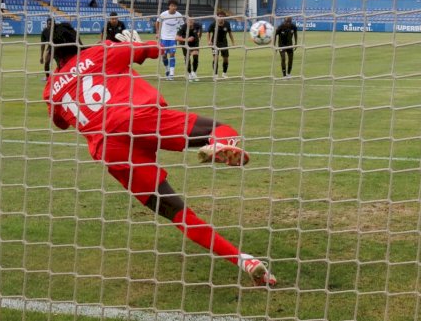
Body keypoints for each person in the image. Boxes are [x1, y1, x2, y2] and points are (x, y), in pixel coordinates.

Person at [42, 23, 276, 286]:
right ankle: (221, 144)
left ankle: (245, 261)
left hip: (110, 148)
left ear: (49, 52)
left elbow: (60, 122)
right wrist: (133, 44)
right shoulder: (101, 51)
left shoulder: (50, 90)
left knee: (175, 212)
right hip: (136, 117)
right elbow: (156, 50)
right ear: (77, 38)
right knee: (219, 129)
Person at [155, 0, 185, 81]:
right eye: (172, 6)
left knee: (172, 54)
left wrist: (181, 36)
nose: (173, 7)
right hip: (164, 38)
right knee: (164, 55)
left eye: (175, 6)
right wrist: (157, 32)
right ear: (169, 6)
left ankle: (172, 73)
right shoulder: (163, 14)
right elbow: (157, 22)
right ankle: (167, 69)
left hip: (173, 38)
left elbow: (183, 26)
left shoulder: (179, 15)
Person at [207, 11, 235, 79]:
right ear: (217, 17)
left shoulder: (227, 24)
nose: (221, 18)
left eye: (222, 17)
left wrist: (233, 43)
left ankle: (224, 74)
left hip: (224, 43)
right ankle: (215, 75)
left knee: (226, 59)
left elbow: (230, 33)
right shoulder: (213, 24)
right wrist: (209, 41)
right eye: (219, 16)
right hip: (215, 43)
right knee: (215, 58)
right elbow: (208, 32)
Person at [176, 16, 203, 82]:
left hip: (195, 43)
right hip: (185, 44)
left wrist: (199, 36)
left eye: (192, 20)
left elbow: (200, 30)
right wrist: (186, 39)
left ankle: (194, 73)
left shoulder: (197, 25)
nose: (190, 21)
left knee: (196, 56)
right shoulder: (183, 27)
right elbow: (176, 38)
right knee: (187, 58)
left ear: (193, 20)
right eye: (189, 20)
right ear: (186, 21)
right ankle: (189, 74)